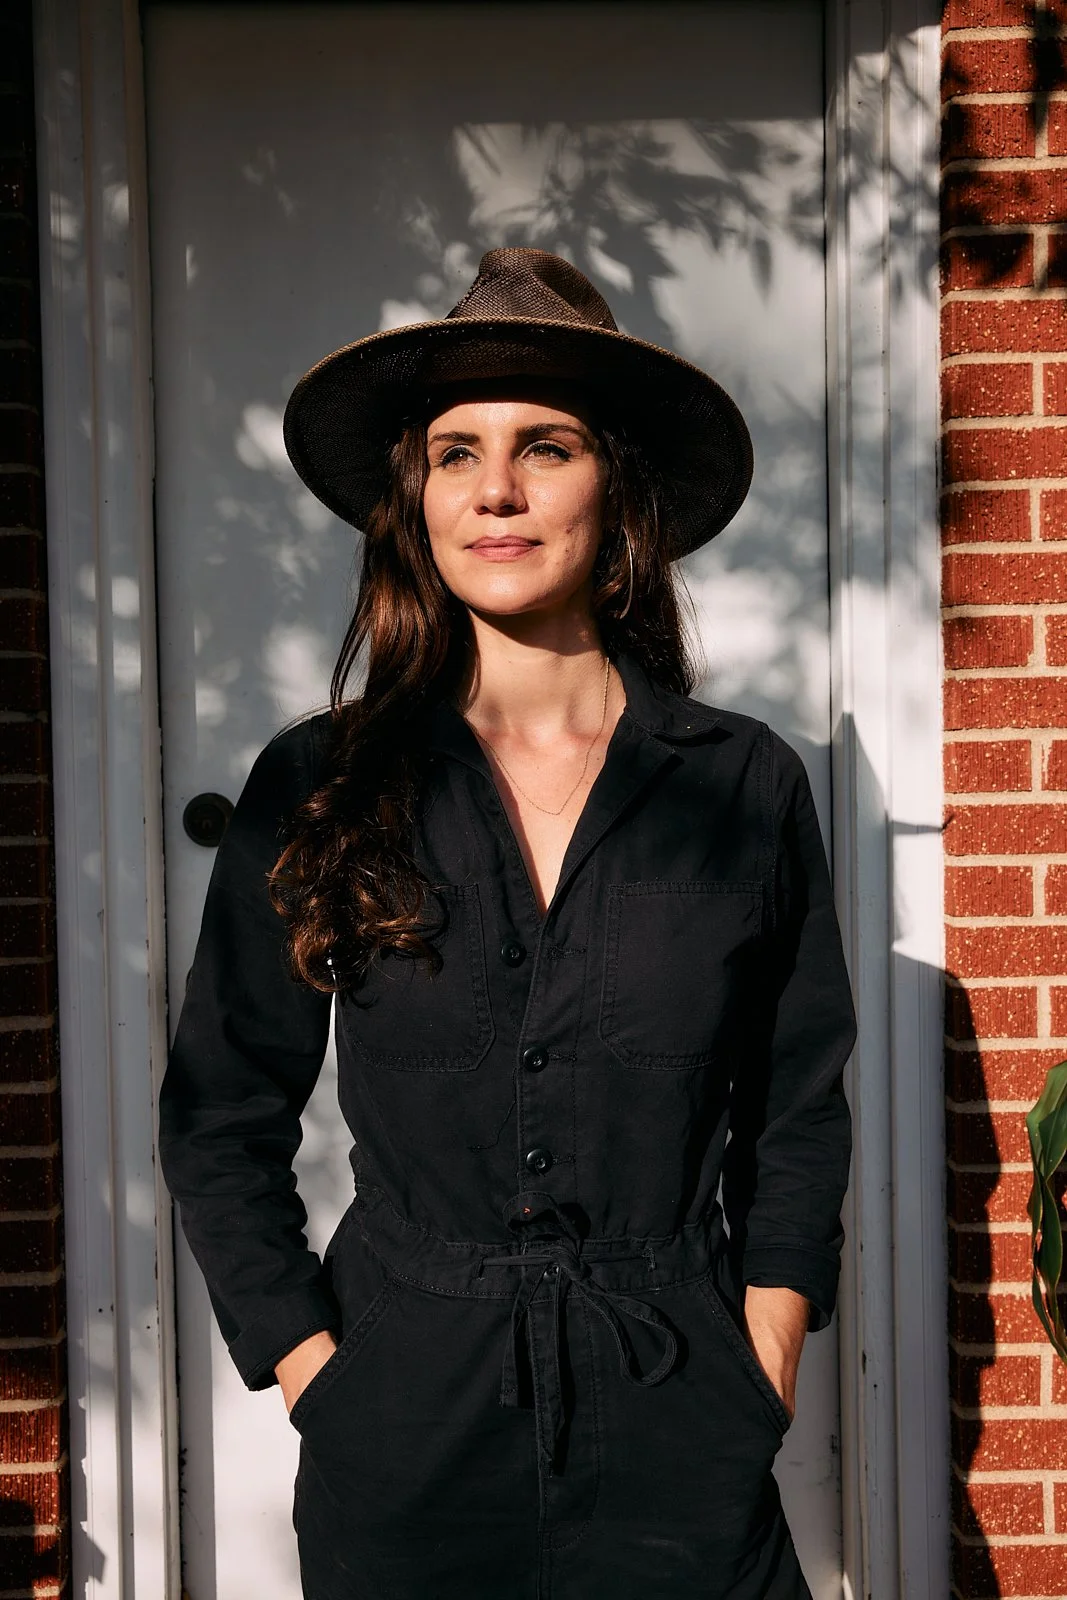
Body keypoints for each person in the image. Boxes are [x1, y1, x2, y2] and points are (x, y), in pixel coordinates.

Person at [156, 247, 857, 1600]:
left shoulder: (741, 784)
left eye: (546, 446)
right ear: (412, 497)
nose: (494, 489)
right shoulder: (317, 781)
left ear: (623, 491)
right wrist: (318, 1374)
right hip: (402, 1424)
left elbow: (796, 1109)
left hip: (676, 1420)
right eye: (455, 452)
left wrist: (762, 1355)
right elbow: (219, 1113)